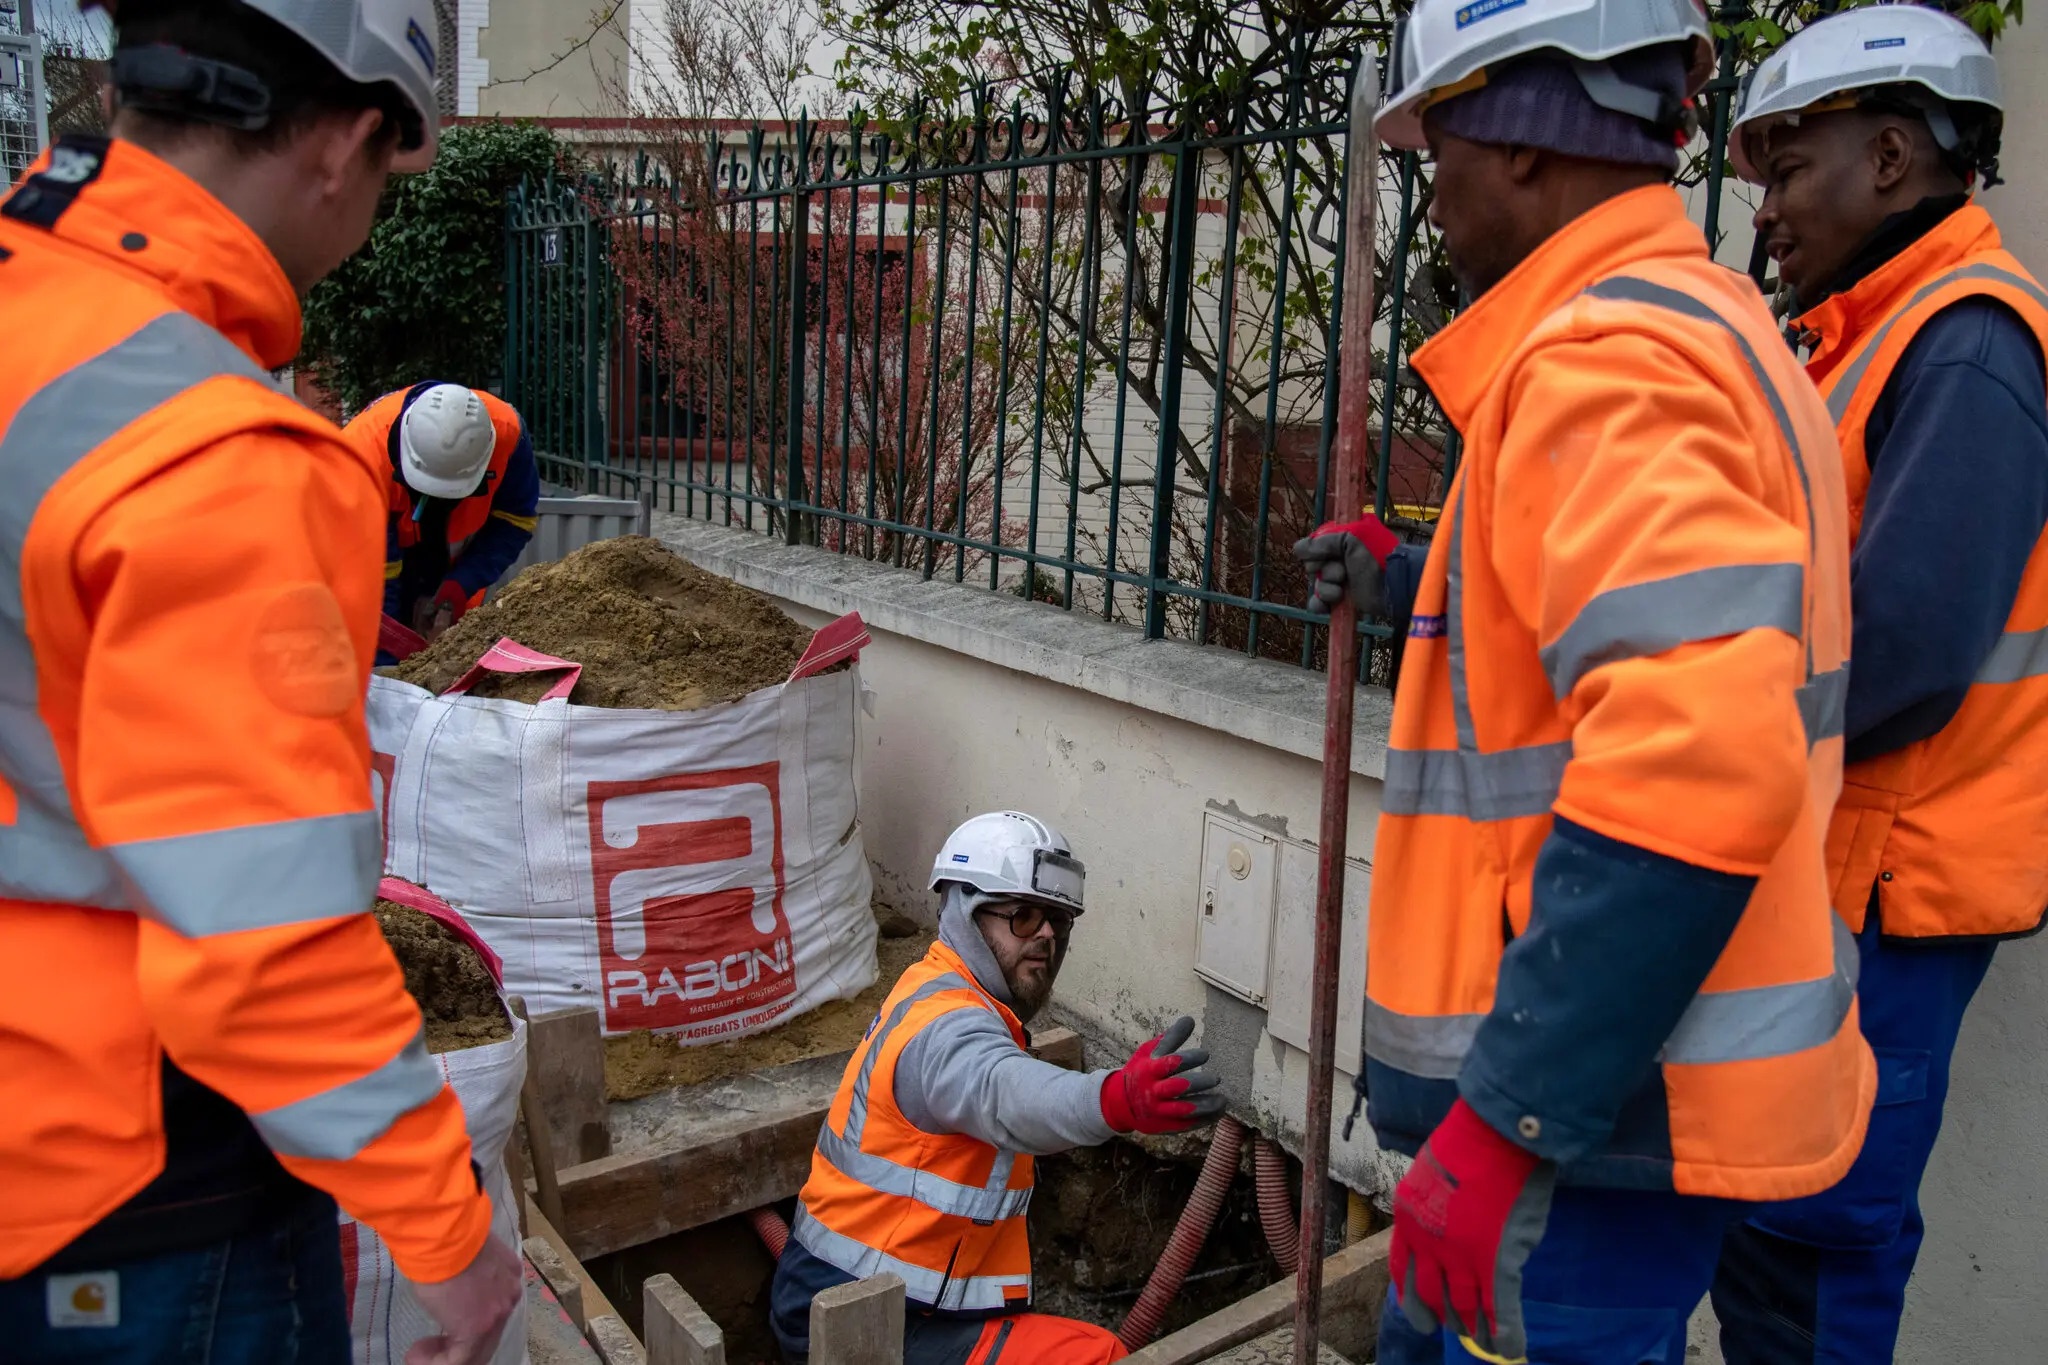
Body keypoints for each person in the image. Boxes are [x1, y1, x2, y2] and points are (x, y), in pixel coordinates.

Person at [1298, 2, 1874, 1361]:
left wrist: (1507, 1123)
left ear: (1522, 138)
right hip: (1620, 1108)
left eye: (1439, 141)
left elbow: (1697, 756)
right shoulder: (1708, 328)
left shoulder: (1601, 364)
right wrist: (1411, 578)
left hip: (1582, 1136)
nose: (1430, 188)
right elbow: (1591, 634)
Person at [0, 3, 521, 1362]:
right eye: (392, 172)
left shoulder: (31, 316)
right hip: (131, 1196)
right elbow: (262, 941)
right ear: (346, 142)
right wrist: (448, 1232)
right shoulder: (215, 450)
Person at [1709, 10, 2047, 1361]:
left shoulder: (1964, 342)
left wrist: (1695, 738)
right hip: (1841, 880)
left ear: (1893, 156)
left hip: (1887, 897)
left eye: (1788, 169)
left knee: (1808, 1264)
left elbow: (1898, 648)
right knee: (1773, 1252)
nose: (1766, 211)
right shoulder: (1865, 339)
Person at [769, 812, 1224, 1365]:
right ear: (964, 913)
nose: (1046, 936)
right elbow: (1001, 1090)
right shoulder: (946, 1029)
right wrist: (1112, 1100)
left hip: (884, 1295)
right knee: (1096, 1356)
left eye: (1058, 921)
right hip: (855, 1321)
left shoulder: (943, 989)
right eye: (1023, 916)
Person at [345, 381, 540, 649]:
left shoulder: (508, 433)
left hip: (448, 560)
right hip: (373, 562)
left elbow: (515, 521)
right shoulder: (360, 459)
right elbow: (372, 580)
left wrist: (457, 588)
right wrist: (389, 657)